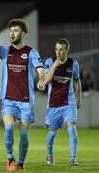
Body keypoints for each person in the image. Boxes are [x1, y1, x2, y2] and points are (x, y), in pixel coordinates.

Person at [0, 13, 45, 171]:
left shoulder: (31, 53)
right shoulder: (5, 51)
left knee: (24, 134)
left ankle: (21, 163)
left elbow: (40, 69)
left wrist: (41, 78)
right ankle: (10, 157)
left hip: (26, 101)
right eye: (10, 30)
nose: (12, 33)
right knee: (9, 128)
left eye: (16, 30)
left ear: (23, 33)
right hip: (8, 99)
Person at [43, 38, 81, 166]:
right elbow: (45, 81)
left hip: (68, 102)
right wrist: (55, 65)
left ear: (67, 50)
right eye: (56, 49)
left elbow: (77, 80)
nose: (58, 52)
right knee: (52, 133)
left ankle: (73, 158)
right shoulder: (49, 62)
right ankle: (49, 156)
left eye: (61, 50)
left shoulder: (73, 63)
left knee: (72, 129)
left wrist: (78, 98)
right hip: (53, 103)